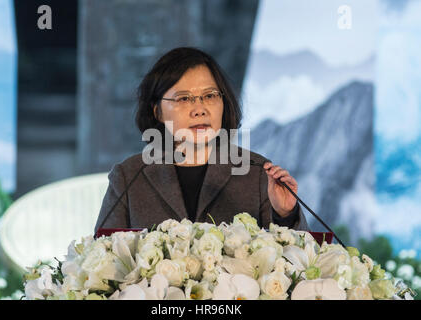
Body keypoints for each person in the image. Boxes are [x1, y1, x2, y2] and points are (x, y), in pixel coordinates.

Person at [94, 47, 309, 233]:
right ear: (158, 111)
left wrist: (285, 215)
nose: (199, 109)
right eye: (184, 99)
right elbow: (102, 263)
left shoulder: (259, 173)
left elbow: (295, 264)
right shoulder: (129, 177)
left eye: (209, 96)